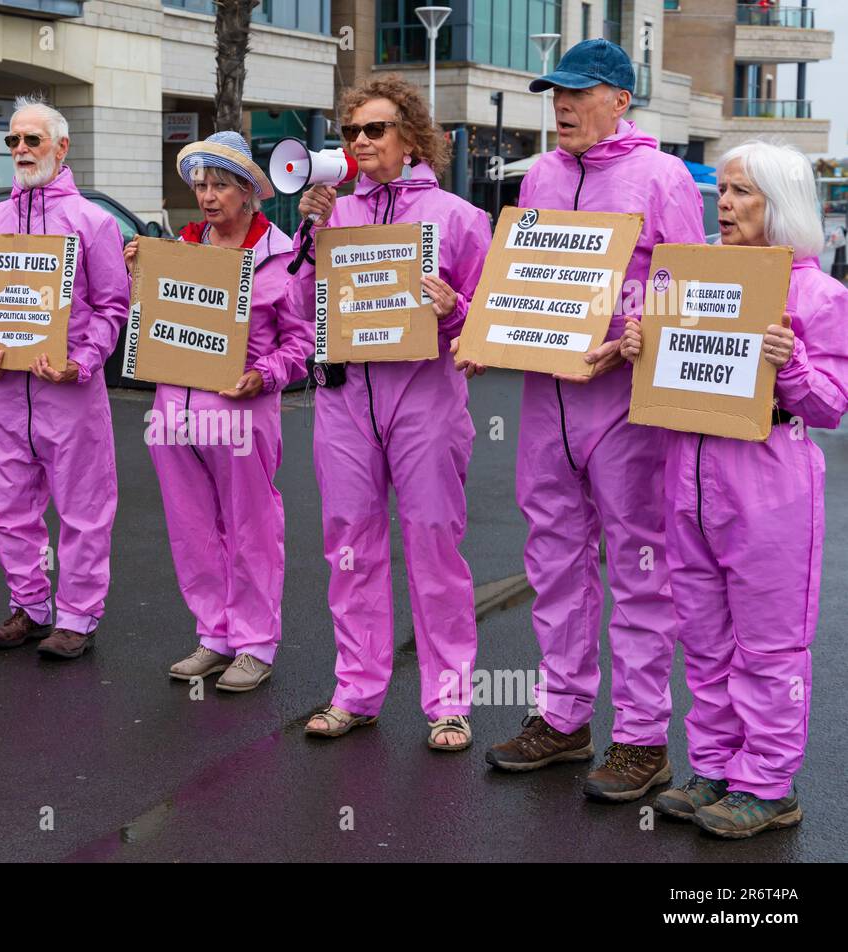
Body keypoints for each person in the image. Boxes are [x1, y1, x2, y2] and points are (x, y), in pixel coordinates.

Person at [463, 39, 706, 801]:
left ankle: (640, 740)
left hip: (624, 404)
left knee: (639, 569)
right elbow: (522, 280)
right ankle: (563, 720)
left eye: (577, 91)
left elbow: (690, 291)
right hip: (546, 403)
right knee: (555, 565)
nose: (560, 104)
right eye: (553, 92)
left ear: (621, 99)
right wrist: (483, 330)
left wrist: (630, 336)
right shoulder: (540, 173)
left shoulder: (662, 176)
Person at [621, 141, 847, 837]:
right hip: (688, 479)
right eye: (721, 190)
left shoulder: (818, 292)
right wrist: (641, 346)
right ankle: (716, 768)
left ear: (780, 204)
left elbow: (832, 405)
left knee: (770, 646)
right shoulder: (690, 279)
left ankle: (769, 784)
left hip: (771, 481)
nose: (723, 203)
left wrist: (793, 365)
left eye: (742, 191)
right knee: (707, 640)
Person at [294, 77, 492, 747]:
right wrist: (308, 237)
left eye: (374, 130)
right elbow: (301, 315)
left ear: (411, 137)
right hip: (345, 397)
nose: (360, 141)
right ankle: (357, 688)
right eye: (351, 132)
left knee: (434, 545)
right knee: (350, 545)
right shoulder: (334, 215)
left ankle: (449, 701)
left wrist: (456, 310)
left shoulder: (459, 216)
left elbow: (490, 324)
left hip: (425, 397)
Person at [122, 132, 311, 691]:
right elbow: (144, 328)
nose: (208, 196)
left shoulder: (280, 255)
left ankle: (255, 643)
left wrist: (265, 374)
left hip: (241, 414)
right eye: (201, 185)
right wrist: (138, 277)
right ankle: (214, 634)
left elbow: (302, 343)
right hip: (172, 412)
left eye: (221, 185)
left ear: (250, 193)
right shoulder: (178, 250)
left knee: (252, 526)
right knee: (192, 528)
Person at [0, 95, 129, 661]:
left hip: (70, 391)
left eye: (31, 140)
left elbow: (114, 308)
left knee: (83, 508)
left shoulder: (92, 222)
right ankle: (31, 607)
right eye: (12, 140)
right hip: (5, 393)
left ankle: (79, 617)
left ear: (61, 148)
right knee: (10, 507)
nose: (19, 150)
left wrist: (82, 362)